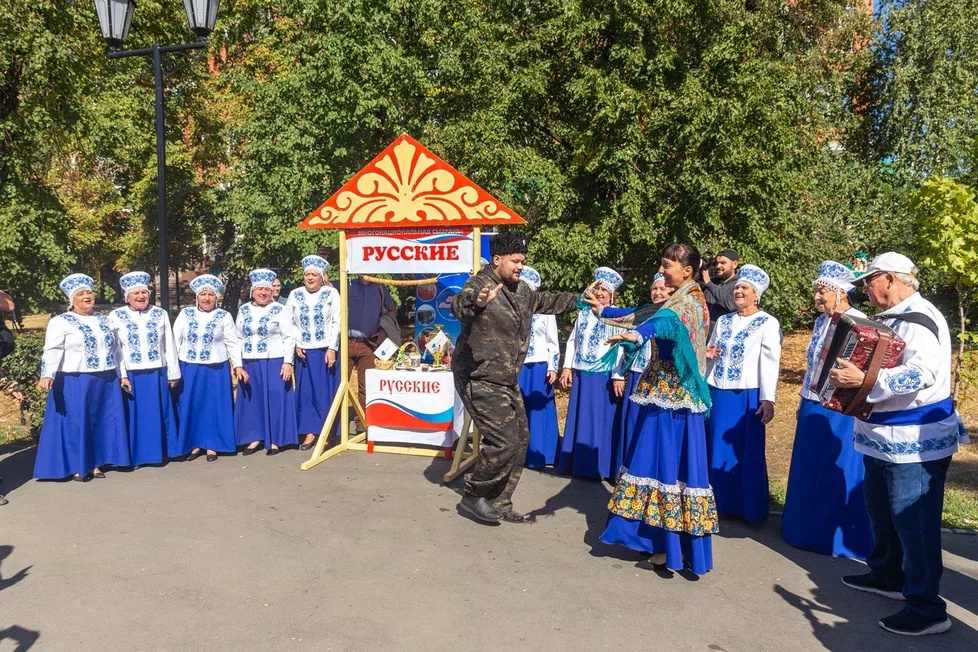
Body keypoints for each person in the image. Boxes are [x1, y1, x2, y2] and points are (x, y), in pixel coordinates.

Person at [832, 253, 957, 636]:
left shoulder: (921, 319)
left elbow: (923, 374)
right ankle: (888, 574)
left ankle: (927, 607)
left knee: (913, 521)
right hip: (879, 434)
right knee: (882, 511)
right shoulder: (887, 320)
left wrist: (864, 383)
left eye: (869, 281)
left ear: (889, 278)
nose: (865, 289)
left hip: (913, 439)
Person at [595, 243, 717, 575]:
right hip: (661, 394)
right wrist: (605, 312)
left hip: (675, 401)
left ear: (687, 271)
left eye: (667, 266)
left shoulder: (689, 304)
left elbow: (662, 323)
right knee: (652, 464)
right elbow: (647, 312)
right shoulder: (677, 298)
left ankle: (669, 545)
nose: (662, 271)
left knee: (665, 467)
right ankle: (657, 541)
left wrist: (636, 336)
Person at [451, 231, 578, 524]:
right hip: (478, 375)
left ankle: (499, 501)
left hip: (505, 377)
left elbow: (547, 300)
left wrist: (582, 300)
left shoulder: (520, 290)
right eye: (515, 261)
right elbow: (461, 303)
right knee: (503, 441)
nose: (520, 266)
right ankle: (473, 494)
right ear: (497, 260)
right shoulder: (481, 284)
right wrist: (477, 302)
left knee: (520, 440)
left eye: (522, 261)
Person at [781, 261, 872, 559]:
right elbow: (813, 366)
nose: (817, 297)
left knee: (836, 467)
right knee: (808, 466)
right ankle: (801, 531)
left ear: (842, 293)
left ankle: (833, 538)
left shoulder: (862, 324)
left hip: (841, 407)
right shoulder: (822, 321)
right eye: (817, 291)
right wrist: (802, 398)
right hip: (812, 402)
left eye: (822, 291)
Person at [704, 264, 782, 523]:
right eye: (737, 287)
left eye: (744, 288)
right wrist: (707, 363)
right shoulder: (724, 321)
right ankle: (715, 503)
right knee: (716, 447)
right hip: (718, 391)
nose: (738, 291)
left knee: (745, 451)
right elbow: (711, 351)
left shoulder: (767, 323)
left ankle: (746, 507)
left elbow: (770, 361)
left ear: (756, 294)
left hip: (746, 396)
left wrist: (767, 398)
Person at [35, 273, 130, 481]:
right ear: (72, 299)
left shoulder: (105, 320)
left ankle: (96, 462)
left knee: (100, 420)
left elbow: (117, 350)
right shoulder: (60, 322)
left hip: (105, 378)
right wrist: (47, 374)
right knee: (78, 422)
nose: (87, 297)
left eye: (89, 292)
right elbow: (52, 349)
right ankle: (79, 465)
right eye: (81, 294)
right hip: (76, 380)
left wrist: (122, 375)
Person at [556, 267, 626, 480]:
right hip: (582, 372)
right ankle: (577, 464)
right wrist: (567, 367)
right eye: (597, 289)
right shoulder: (583, 313)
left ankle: (600, 468)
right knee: (581, 417)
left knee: (600, 419)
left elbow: (621, 348)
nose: (600, 293)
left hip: (603, 374)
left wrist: (618, 375)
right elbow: (573, 341)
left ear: (612, 294)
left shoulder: (618, 315)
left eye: (605, 290)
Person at [108, 271, 180, 467]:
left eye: (144, 292)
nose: (141, 296)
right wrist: (122, 375)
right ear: (127, 296)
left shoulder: (160, 314)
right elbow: (116, 349)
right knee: (135, 416)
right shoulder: (116, 316)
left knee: (158, 413)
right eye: (136, 293)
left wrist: (173, 373)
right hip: (132, 374)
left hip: (157, 372)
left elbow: (169, 345)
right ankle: (135, 455)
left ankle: (159, 454)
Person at [172, 274, 247, 462]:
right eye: (203, 294)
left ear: (217, 297)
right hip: (190, 367)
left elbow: (232, 342)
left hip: (216, 368)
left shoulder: (224, 316)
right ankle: (194, 443)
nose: (207, 298)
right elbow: (175, 341)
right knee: (192, 404)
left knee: (214, 406)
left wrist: (237, 365)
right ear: (197, 297)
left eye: (211, 295)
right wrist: (173, 369)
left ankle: (213, 444)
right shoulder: (185, 314)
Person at [611, 272, 673, 475]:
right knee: (633, 423)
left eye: (662, 289)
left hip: (662, 380)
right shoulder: (643, 313)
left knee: (652, 427)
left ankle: (649, 471)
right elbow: (625, 343)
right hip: (638, 375)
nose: (657, 292)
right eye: (654, 288)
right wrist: (618, 374)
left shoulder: (676, 314)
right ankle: (627, 472)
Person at [235, 268, 298, 455]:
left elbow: (289, 337)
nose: (263, 293)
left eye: (267, 290)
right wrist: (237, 364)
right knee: (252, 399)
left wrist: (288, 362)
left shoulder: (280, 310)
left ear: (272, 292)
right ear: (252, 291)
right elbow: (238, 337)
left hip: (274, 361)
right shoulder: (244, 309)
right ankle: (253, 437)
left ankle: (276, 439)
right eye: (259, 289)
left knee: (276, 398)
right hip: (250, 362)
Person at [288, 255, 341, 450]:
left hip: (325, 351)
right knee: (306, 392)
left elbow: (337, 321)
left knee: (323, 391)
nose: (310, 278)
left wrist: (332, 348)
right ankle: (310, 431)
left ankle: (326, 431)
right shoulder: (295, 295)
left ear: (322, 277)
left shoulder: (331, 294)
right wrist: (296, 343)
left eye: (314, 275)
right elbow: (289, 322)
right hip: (303, 352)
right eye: (307, 274)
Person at [516, 266, 561, 468]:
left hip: (539, 365)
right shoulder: (513, 307)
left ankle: (540, 455)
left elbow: (553, 341)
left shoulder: (545, 310)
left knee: (538, 409)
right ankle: (517, 455)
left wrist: (553, 367)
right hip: (517, 364)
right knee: (518, 408)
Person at [347, 275, 397, 433]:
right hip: (346, 343)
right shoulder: (347, 284)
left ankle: (362, 420)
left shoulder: (380, 288)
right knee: (339, 385)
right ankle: (336, 423)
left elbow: (392, 309)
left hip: (369, 344)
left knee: (366, 386)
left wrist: (383, 330)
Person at [702, 248, 740, 332]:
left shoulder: (739, 285)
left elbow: (731, 305)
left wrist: (709, 283)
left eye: (723, 263)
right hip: (705, 337)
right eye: (716, 263)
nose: (718, 266)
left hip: (724, 336)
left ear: (735, 264)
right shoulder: (712, 283)